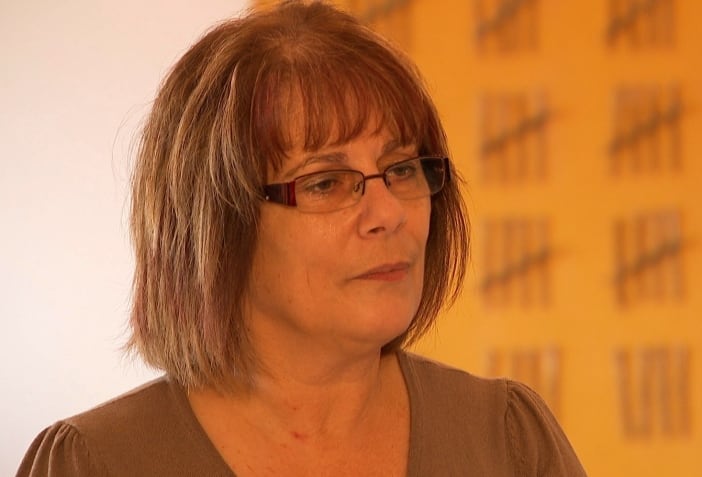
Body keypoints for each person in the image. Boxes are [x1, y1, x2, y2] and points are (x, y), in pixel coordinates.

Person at [17, 1, 587, 475]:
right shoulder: (95, 463)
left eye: (402, 168)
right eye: (325, 183)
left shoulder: (508, 443)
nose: (387, 212)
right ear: (218, 225)